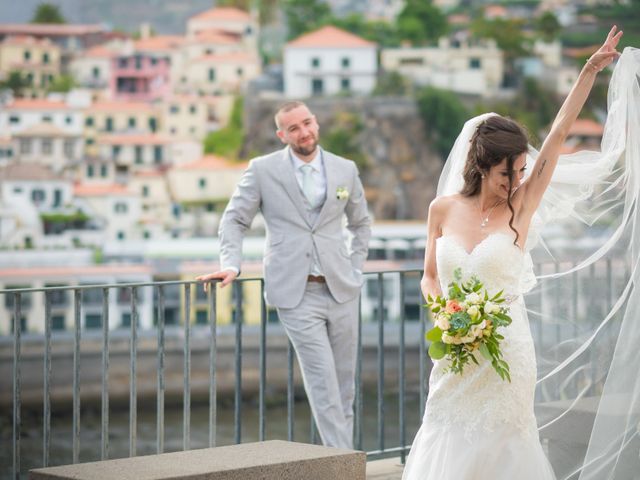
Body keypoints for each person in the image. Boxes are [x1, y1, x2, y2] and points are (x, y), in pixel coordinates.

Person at [403, 27, 624, 479]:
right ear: (482, 167)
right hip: (456, 353)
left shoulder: (520, 209)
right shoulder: (441, 209)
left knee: (506, 444)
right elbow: (429, 277)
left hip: (508, 351)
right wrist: (443, 315)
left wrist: (589, 71)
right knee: (444, 431)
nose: (518, 180)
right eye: (509, 173)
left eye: (523, 170)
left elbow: (560, 134)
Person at [196, 101, 371, 449]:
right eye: (293, 128)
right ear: (282, 135)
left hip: (342, 288)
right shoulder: (262, 170)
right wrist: (232, 263)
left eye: (307, 123)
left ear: (316, 123)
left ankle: (341, 462)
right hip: (296, 294)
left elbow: (361, 222)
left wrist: (355, 267)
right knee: (323, 383)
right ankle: (347, 465)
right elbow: (234, 220)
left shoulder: (344, 169)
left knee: (344, 385)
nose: (303, 132)